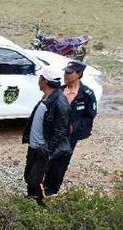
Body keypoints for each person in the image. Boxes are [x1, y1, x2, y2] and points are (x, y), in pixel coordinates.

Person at [43, 61, 97, 196]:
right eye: (65, 72)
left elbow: (90, 116)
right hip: (53, 133)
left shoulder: (87, 94)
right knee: (48, 158)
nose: (65, 75)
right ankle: (42, 186)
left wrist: (75, 126)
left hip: (70, 137)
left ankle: (52, 191)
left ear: (79, 74)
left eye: (69, 73)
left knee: (61, 163)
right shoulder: (59, 90)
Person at [22, 66, 71, 206]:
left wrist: (47, 149)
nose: (38, 80)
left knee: (35, 179)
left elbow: (61, 131)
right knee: (29, 175)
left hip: (42, 148)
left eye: (40, 78)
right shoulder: (48, 96)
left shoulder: (59, 102)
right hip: (35, 146)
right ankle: (31, 201)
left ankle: (41, 207)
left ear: (44, 81)